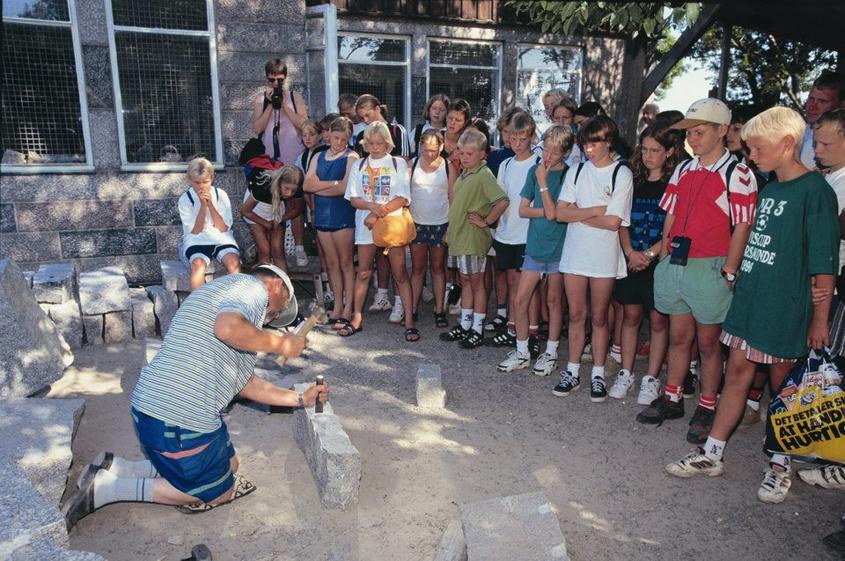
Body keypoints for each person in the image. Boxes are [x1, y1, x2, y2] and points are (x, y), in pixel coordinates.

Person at [62, 265, 328, 529]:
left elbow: (246, 385)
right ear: (276, 285)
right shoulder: (250, 289)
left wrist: (300, 399)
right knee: (218, 492)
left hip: (153, 408)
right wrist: (281, 344)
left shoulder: (221, 296)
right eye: (281, 308)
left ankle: (117, 466)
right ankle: (109, 489)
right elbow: (226, 328)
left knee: (231, 465)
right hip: (177, 421)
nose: (276, 316)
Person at [664, 106, 839, 504]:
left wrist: (819, 320)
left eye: (758, 148)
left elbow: (824, 265)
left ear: (787, 144)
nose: (752, 156)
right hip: (752, 300)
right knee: (737, 372)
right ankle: (712, 452)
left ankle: (780, 466)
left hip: (784, 307)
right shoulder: (771, 188)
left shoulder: (815, 192)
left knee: (783, 387)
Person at [637, 99, 758, 446]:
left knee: (708, 342)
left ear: (722, 131)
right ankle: (672, 396)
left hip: (711, 265)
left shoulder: (738, 174)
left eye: (700, 132)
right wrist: (663, 254)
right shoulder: (684, 170)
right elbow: (671, 215)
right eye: (689, 132)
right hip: (676, 261)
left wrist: (730, 270)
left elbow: (742, 226)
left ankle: (707, 405)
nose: (693, 138)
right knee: (679, 336)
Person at [553, 115, 633, 402]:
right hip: (575, 253)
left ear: (608, 141)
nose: (588, 148)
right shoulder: (576, 170)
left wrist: (580, 212)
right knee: (575, 315)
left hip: (603, 257)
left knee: (600, 317)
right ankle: (572, 370)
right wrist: (594, 210)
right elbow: (560, 213)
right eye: (585, 143)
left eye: (594, 142)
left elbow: (614, 222)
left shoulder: (621, 172)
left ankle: (597, 374)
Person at [607, 126, 681, 403]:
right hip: (630, 257)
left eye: (655, 151)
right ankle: (626, 372)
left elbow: (673, 229)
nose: (648, 156)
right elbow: (621, 220)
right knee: (630, 316)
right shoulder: (632, 180)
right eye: (645, 150)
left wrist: (649, 255)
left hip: (659, 261)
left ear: (670, 152)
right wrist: (629, 253)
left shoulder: (675, 184)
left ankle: (651, 379)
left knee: (659, 320)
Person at [496, 125, 573, 376]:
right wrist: (549, 212)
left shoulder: (568, 176)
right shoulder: (534, 170)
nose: (548, 157)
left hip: (560, 249)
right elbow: (523, 210)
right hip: (535, 246)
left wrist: (543, 185)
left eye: (555, 153)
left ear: (566, 152)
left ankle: (550, 353)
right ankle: (521, 351)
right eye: (546, 150)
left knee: (553, 300)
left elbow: (557, 213)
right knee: (520, 299)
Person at [344, 122, 418, 341]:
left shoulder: (398, 164)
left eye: (380, 143)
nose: (375, 147)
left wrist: (377, 213)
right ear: (365, 144)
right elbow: (353, 198)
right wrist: (370, 208)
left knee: (400, 273)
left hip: (391, 224)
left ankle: (409, 320)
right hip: (365, 224)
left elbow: (403, 197)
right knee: (364, 272)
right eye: (371, 143)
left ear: (388, 143)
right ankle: (356, 317)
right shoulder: (358, 165)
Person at [439, 128, 509, 348]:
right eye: (461, 152)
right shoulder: (465, 173)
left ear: (482, 155)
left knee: (477, 284)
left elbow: (502, 201)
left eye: (470, 154)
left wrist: (486, 221)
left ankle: (477, 328)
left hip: (473, 238)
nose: (464, 157)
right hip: (460, 237)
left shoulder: (484, 175)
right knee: (465, 281)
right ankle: (465, 324)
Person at [490, 111, 542, 356]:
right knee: (513, 283)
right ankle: (514, 329)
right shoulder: (506, 164)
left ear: (531, 137)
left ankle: (532, 333)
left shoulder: (539, 163)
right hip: (506, 232)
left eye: (522, 138)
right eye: (512, 138)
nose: (517, 143)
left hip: (528, 235)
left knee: (528, 289)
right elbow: (501, 197)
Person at [251, 59, 309, 267]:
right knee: (271, 203)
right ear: (267, 78)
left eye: (280, 80)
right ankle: (269, 250)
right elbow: (257, 129)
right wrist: (269, 106)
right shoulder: (260, 98)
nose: (276, 84)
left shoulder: (295, 97)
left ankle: (300, 247)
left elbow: (304, 126)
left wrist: (284, 106)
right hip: (270, 162)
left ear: (285, 78)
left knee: (295, 204)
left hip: (292, 156)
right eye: (272, 79)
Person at [304, 116, 360, 329]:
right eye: (336, 138)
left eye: (343, 139)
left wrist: (322, 185)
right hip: (322, 218)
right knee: (332, 264)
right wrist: (332, 184)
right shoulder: (318, 156)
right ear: (329, 134)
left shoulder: (351, 157)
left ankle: (349, 307)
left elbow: (344, 188)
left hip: (343, 216)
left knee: (346, 263)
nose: (338, 143)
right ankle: (337, 305)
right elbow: (307, 185)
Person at [409, 129, 454, 327]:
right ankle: (411, 308)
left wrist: (450, 227)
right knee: (417, 268)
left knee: (437, 267)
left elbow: (453, 197)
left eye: (434, 150)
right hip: (416, 223)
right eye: (426, 149)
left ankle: (439, 310)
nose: (429, 154)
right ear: (420, 147)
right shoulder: (412, 164)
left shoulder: (448, 166)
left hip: (440, 223)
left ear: (441, 147)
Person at [178, 157, 241, 290]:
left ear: (212, 178)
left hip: (220, 237)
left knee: (233, 262)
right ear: (189, 179)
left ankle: (236, 301)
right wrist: (202, 207)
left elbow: (223, 228)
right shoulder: (185, 199)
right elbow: (195, 231)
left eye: (205, 182)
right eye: (197, 182)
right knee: (198, 265)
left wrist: (211, 205)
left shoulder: (221, 195)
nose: (201, 186)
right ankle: (200, 304)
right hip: (197, 239)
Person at [241, 165, 305, 269]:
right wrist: (265, 223)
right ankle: (265, 283)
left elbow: (297, 210)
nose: (289, 194)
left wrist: (280, 219)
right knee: (265, 250)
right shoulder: (264, 185)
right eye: (287, 188)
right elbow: (245, 210)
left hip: (276, 209)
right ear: (279, 182)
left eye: (293, 191)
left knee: (278, 251)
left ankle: (284, 284)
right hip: (255, 212)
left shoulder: (297, 187)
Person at [800, 70, 845, 168]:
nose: (812, 106)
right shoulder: (795, 132)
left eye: (822, 101)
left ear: (842, 104)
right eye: (811, 98)